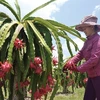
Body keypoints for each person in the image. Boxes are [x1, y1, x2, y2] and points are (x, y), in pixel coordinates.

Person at [63, 15, 100, 100]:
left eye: (85, 28)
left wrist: (78, 68)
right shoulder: (87, 42)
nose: (83, 31)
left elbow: (94, 59)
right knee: (88, 97)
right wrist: (70, 62)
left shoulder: (98, 40)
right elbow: (80, 54)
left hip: (99, 76)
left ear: (91, 26)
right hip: (92, 76)